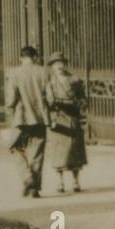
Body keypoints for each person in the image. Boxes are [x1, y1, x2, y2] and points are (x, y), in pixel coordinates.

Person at [6, 44, 51, 198]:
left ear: (21, 58)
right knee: (37, 152)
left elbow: (11, 99)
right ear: (35, 57)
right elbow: (50, 97)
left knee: (13, 146)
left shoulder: (15, 73)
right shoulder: (44, 71)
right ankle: (34, 189)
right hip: (40, 117)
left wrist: (10, 106)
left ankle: (27, 177)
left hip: (22, 117)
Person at [43, 51, 88, 193]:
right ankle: (60, 182)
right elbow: (47, 101)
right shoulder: (49, 82)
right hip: (58, 119)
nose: (59, 66)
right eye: (56, 64)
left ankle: (76, 181)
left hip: (72, 117)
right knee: (58, 152)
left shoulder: (75, 80)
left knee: (75, 150)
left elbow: (83, 100)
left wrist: (78, 105)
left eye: (61, 63)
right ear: (52, 66)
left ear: (65, 64)